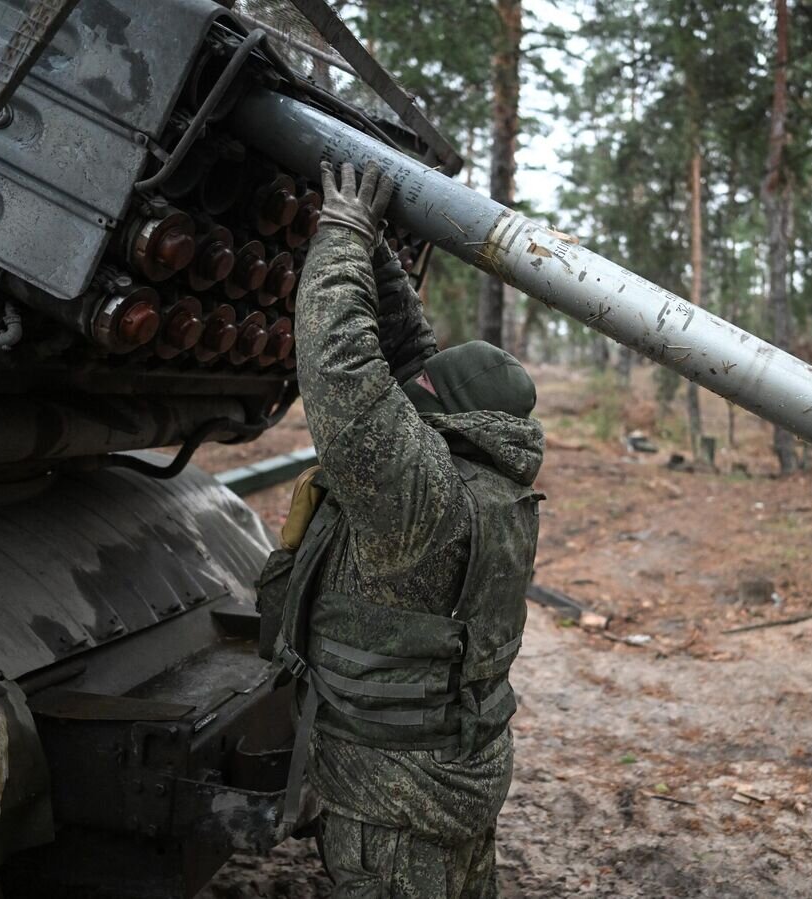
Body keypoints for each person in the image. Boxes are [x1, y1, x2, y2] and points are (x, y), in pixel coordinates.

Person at [280, 160, 545, 898]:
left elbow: (344, 371)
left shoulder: (420, 499)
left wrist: (341, 232)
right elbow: (412, 362)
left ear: (447, 416)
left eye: (421, 394)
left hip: (395, 805)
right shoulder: (488, 480)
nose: (410, 389)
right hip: (449, 782)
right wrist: (382, 258)